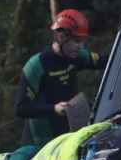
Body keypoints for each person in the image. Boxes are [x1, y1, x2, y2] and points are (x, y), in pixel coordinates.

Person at [16, 9, 109, 147]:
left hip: (67, 139)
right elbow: (21, 108)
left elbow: (105, 61)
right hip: (39, 144)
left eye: (82, 41)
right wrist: (54, 109)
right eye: (76, 41)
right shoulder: (36, 65)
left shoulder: (76, 56)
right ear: (61, 37)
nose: (80, 47)